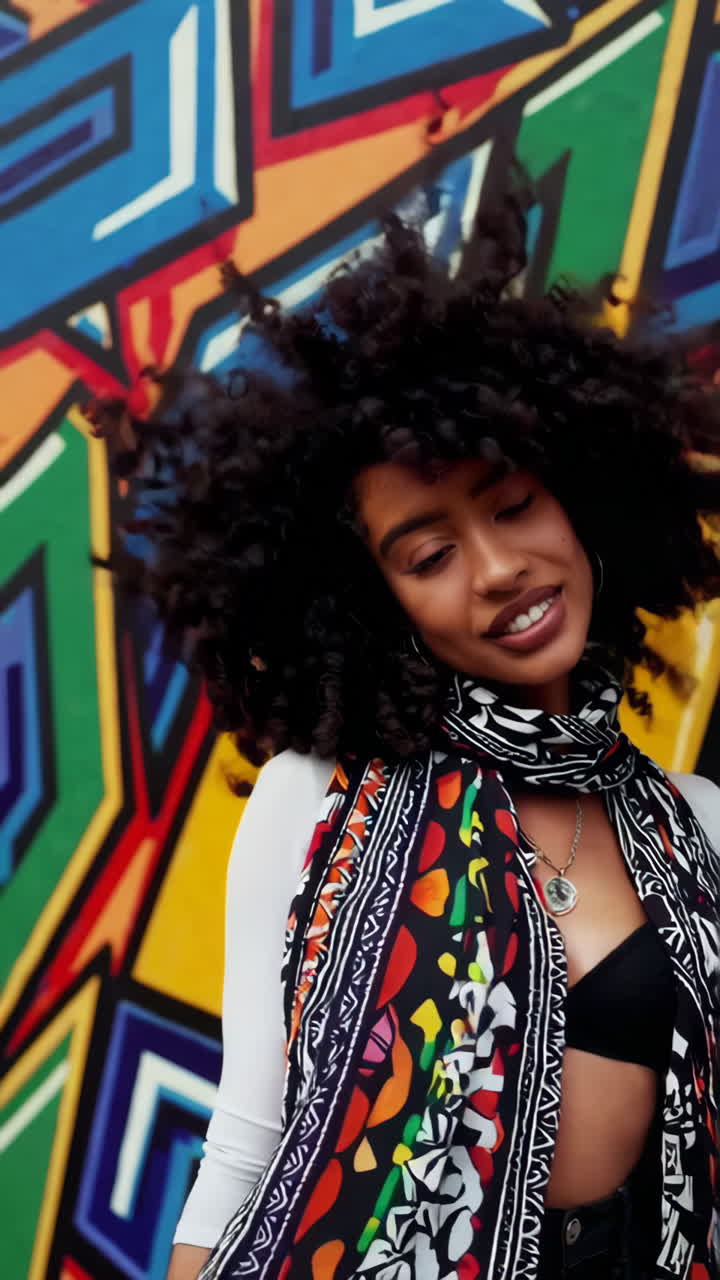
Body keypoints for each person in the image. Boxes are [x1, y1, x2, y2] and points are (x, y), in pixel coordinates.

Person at [106, 204, 720, 1279]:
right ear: (375, 601)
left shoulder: (698, 825)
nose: (496, 568)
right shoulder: (314, 804)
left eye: (516, 504)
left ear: (582, 503)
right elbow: (252, 1129)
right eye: (429, 552)